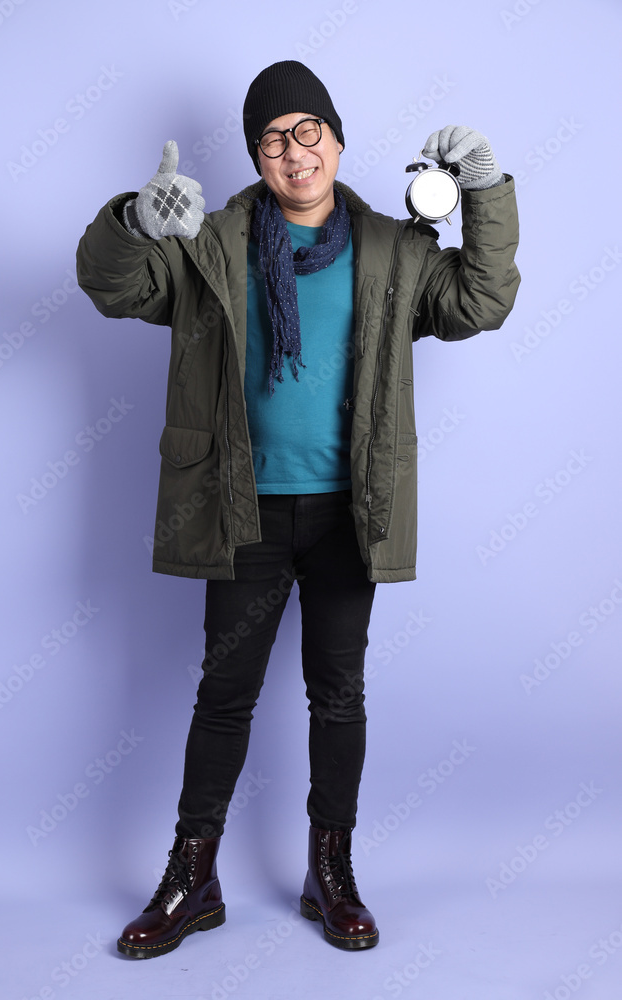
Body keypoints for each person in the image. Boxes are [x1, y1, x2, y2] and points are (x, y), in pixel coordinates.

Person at [76, 59, 520, 958]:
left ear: (337, 142)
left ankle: (330, 870)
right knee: (223, 694)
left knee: (338, 695)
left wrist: (483, 191)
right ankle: (192, 876)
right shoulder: (206, 243)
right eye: (273, 138)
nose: (294, 150)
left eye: (307, 130)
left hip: (349, 513)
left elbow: (480, 300)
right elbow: (112, 287)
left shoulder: (393, 248)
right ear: (256, 157)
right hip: (238, 509)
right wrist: (133, 222)